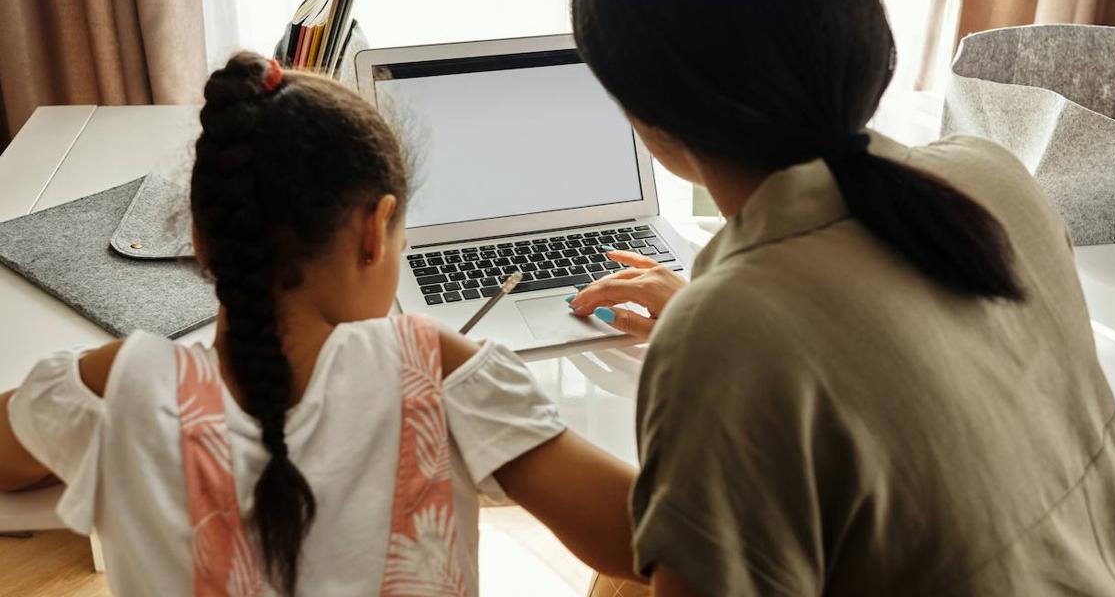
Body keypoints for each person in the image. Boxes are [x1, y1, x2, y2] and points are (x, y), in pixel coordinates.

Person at [565, 0, 1115, 596]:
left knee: (614, 584)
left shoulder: (729, 328)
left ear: (651, 122)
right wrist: (722, 315)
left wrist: (496, 411)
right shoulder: (991, 175)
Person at [0, 54, 640, 596]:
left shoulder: (117, 386)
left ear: (197, 240)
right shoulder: (435, 369)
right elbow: (646, 538)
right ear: (373, 232)